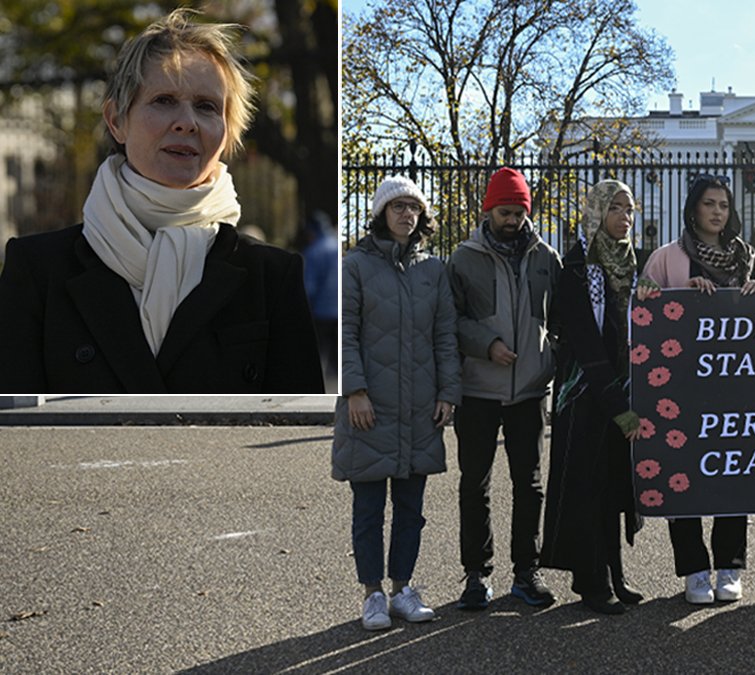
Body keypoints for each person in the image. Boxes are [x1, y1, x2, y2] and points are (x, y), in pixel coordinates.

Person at [0, 9, 322, 394]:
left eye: (206, 106)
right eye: (164, 100)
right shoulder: (37, 271)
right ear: (117, 120)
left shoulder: (272, 278)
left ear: (227, 132)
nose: (187, 122)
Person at [333, 175, 460, 630]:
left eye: (413, 207)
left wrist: (449, 392)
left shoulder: (434, 269)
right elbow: (344, 331)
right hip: (370, 405)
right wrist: (356, 391)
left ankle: (402, 588)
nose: (407, 214)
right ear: (381, 214)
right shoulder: (356, 265)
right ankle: (372, 594)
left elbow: (445, 334)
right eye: (398, 207)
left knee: (411, 509)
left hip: (421, 406)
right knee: (368, 508)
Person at [642, 174, 755, 605]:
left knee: (732, 471)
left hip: (736, 384)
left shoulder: (747, 258)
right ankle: (695, 569)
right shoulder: (667, 257)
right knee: (682, 474)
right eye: (709, 204)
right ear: (693, 208)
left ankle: (729, 565)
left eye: (724, 205)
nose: (718, 212)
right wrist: (682, 294)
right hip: (681, 385)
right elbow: (644, 314)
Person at [448, 167, 562, 611]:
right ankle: (476, 575)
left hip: (530, 389)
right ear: (488, 210)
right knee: (474, 483)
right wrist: (486, 344)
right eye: (504, 211)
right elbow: (450, 321)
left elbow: (560, 317)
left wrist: (546, 358)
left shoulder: (544, 257)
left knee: (528, 483)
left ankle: (526, 572)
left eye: (518, 212)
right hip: (478, 387)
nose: (512, 219)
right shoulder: (463, 257)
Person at [541, 180, 645, 615]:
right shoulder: (578, 269)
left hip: (623, 392)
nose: (625, 217)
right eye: (616, 208)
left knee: (617, 485)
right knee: (589, 487)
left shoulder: (633, 265)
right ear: (597, 212)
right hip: (587, 396)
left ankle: (614, 574)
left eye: (630, 209)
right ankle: (591, 582)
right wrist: (617, 407)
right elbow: (585, 343)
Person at [302, 210, 340, 391]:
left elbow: (309, 285)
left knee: (319, 354)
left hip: (321, 311)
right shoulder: (337, 247)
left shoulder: (314, 251)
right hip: (339, 310)